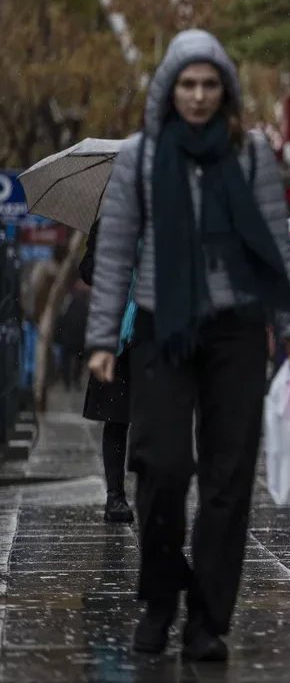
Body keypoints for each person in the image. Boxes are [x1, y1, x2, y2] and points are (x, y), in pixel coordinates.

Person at [85, 29, 290, 662]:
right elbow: (115, 252)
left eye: (211, 84)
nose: (199, 95)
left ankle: (208, 621)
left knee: (228, 478)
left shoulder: (251, 154)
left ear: (226, 90)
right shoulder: (139, 157)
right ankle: (160, 598)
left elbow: (274, 242)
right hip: (164, 325)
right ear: (169, 88)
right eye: (188, 84)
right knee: (161, 467)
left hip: (237, 329)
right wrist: (102, 337)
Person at [79, 220, 137, 524]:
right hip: (116, 334)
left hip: (156, 331)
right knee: (116, 417)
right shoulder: (107, 224)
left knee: (159, 419)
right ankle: (115, 496)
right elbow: (87, 270)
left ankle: (157, 491)